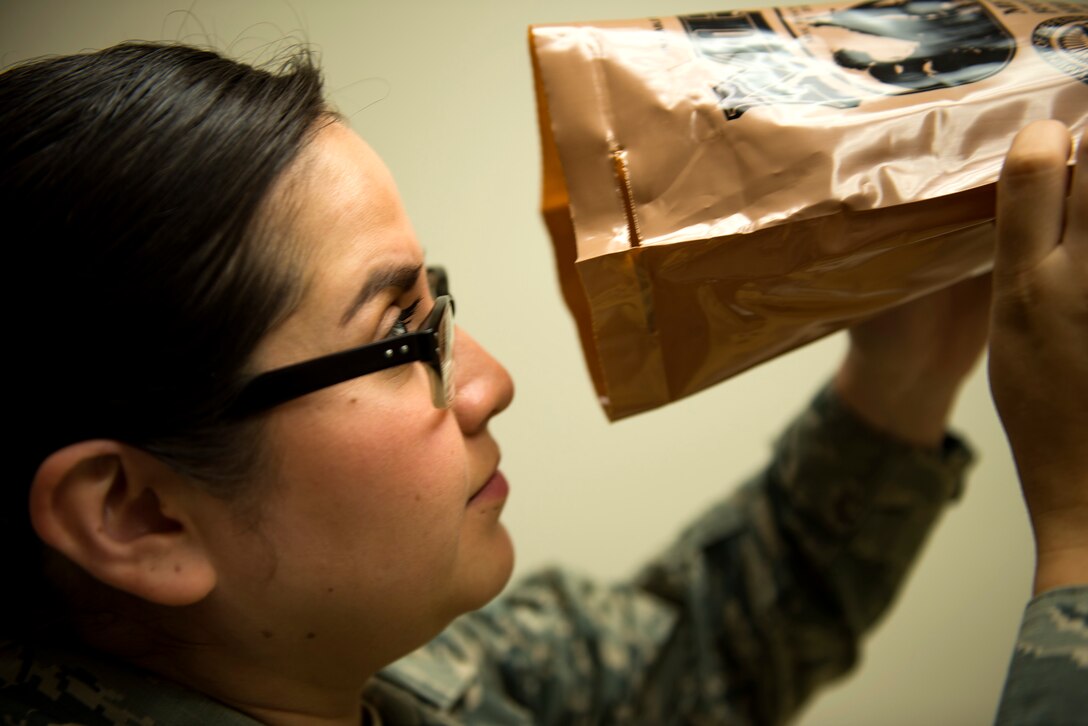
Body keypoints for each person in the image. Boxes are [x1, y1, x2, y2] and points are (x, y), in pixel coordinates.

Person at [0, 41, 1081, 725]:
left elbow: (695, 656)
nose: (488, 382)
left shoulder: (388, 674)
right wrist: (1077, 534)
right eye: (401, 336)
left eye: (441, 306)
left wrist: (900, 378)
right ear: (138, 515)